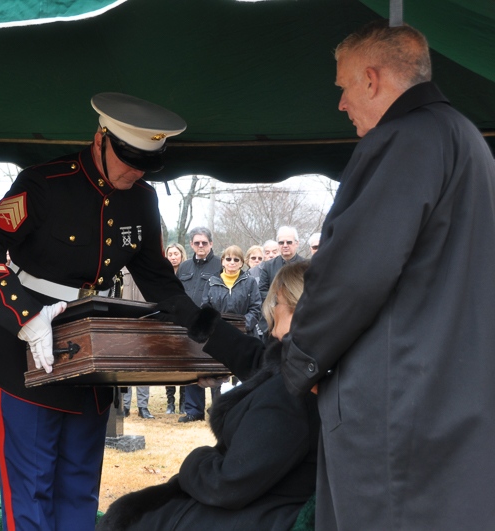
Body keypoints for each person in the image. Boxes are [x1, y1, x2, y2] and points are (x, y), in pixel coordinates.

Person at [280, 21, 495, 530]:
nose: (341, 104)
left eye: (343, 87)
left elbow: (351, 275)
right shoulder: (469, 142)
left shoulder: (404, 139)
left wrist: (301, 359)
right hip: (456, 398)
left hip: (396, 407)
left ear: (371, 80)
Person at [0, 92, 196, 531]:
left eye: (146, 164)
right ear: (100, 139)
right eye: (128, 160)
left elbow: (160, 281)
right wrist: (26, 317)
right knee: (32, 485)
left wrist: (203, 335)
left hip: (93, 352)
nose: (136, 172)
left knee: (80, 482)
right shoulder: (44, 183)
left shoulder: (142, 199)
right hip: (30, 351)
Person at [98, 262, 319, 531]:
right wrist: (197, 320)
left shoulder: (290, 394)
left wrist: (196, 460)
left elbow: (228, 484)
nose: (272, 310)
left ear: (298, 308)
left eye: (277, 302)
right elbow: (260, 363)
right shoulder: (306, 368)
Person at [177, 227, 223, 423]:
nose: (201, 246)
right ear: (191, 244)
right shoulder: (184, 267)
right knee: (192, 365)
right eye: (197, 243)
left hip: (213, 322)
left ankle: (218, 409)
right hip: (189, 323)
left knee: (215, 366)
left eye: (204, 242)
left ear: (211, 243)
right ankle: (194, 410)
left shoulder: (220, 264)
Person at [202, 246, 262, 337]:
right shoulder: (211, 282)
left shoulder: (250, 282)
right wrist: (215, 325)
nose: (232, 262)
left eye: (236, 260)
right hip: (218, 333)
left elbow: (256, 308)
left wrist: (241, 326)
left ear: (241, 263)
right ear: (222, 261)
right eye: (228, 259)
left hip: (245, 335)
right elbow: (205, 308)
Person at [119, 267, 154, 419]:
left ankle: (143, 407)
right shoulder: (119, 268)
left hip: (145, 319)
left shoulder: (146, 264)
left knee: (144, 365)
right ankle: (124, 405)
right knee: (125, 365)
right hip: (124, 320)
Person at [164, 242, 188, 414]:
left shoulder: (187, 272)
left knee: (184, 361)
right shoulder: (163, 275)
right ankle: (170, 402)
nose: (173, 257)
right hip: (167, 320)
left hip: (184, 319)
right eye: (170, 254)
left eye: (176, 254)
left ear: (181, 255)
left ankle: (183, 402)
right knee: (169, 362)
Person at [257, 226, 304, 300]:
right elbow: (262, 291)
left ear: (297, 243)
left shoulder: (306, 266)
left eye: (289, 242)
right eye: (281, 242)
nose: (285, 245)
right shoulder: (268, 266)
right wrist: (279, 300)